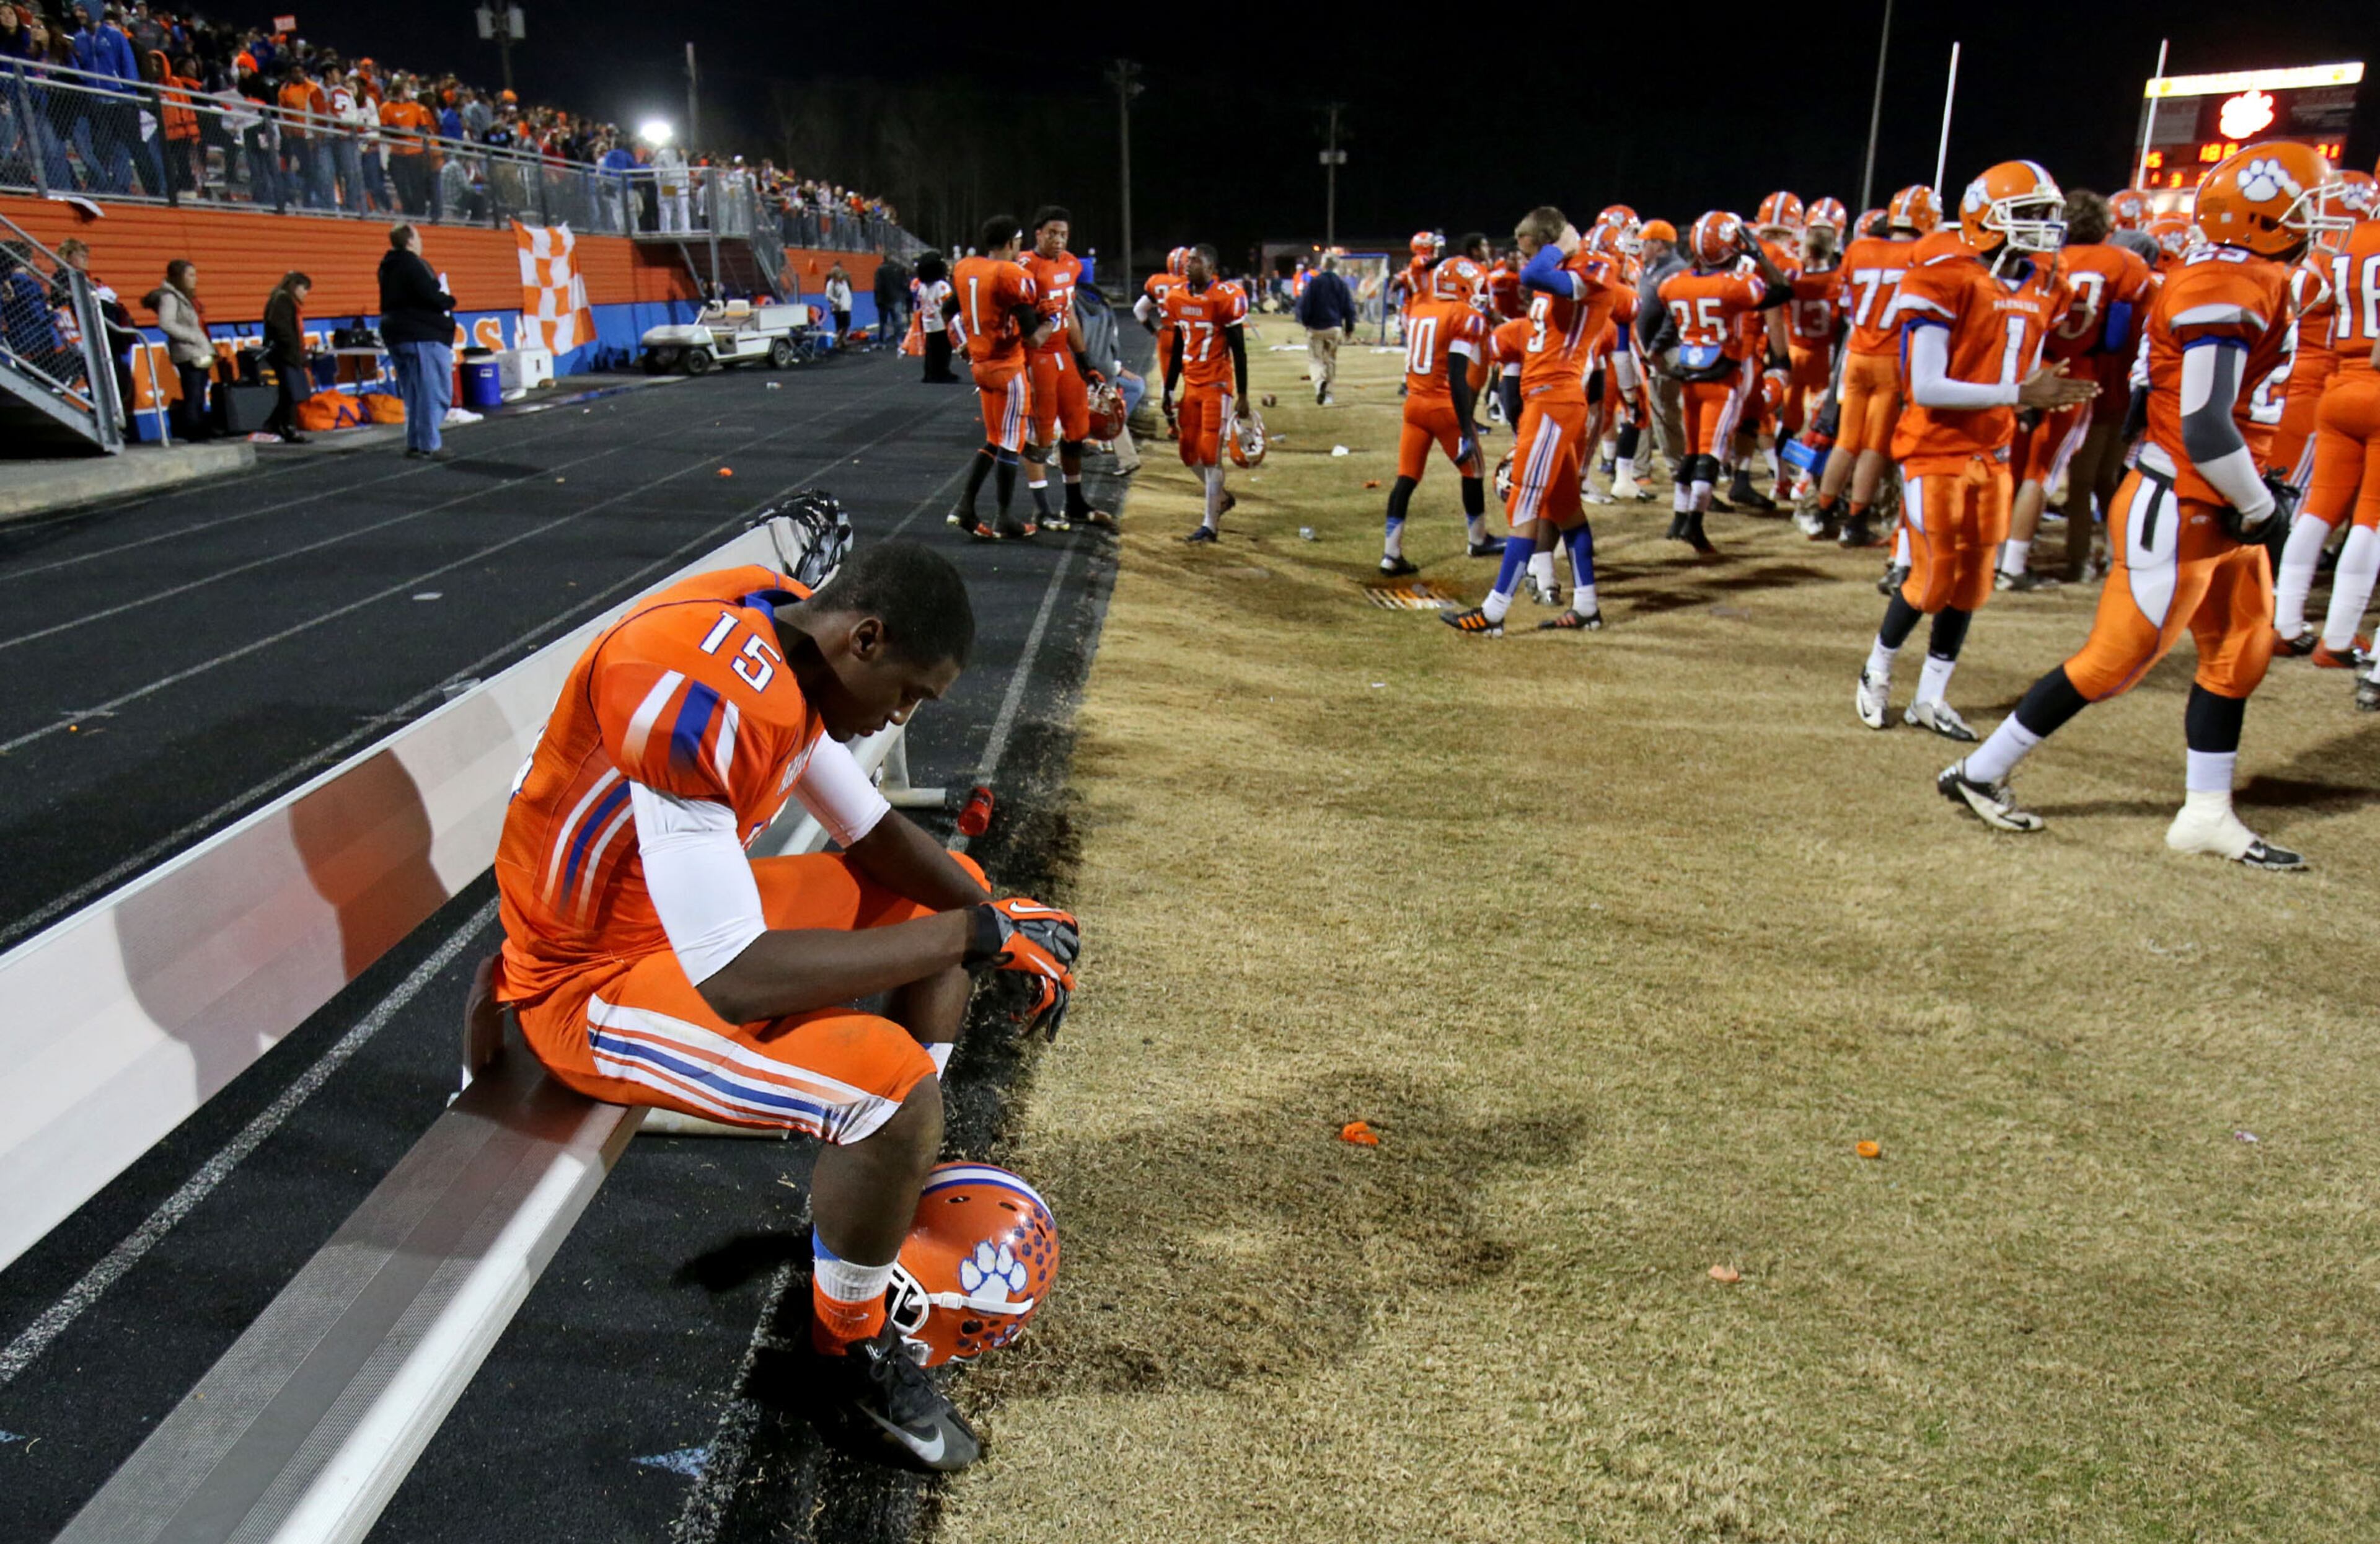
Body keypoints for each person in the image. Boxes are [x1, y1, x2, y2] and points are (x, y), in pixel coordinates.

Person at [479, 522, 1077, 1472]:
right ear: (865, 638)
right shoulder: (707, 700)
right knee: (885, 1087)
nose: (897, 719)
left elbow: (875, 833)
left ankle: (885, 1184)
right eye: (910, 693)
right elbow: (735, 976)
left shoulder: (781, 635)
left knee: (944, 885)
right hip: (587, 983)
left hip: (658, 929)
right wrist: (975, 934)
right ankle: (844, 1353)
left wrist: (994, 910)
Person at [1937, 143, 2335, 870]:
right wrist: (2260, 506)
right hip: (2185, 500)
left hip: (2222, 494)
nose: (2316, 223)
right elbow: (2206, 426)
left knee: (2239, 651)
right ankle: (1979, 771)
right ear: (2263, 216)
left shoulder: (2254, 275)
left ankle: (2207, 813)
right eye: (2303, 208)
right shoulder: (2226, 282)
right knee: (2113, 663)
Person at [1851, 162, 2091, 741]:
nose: (2044, 227)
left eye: (2047, 215)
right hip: (1936, 450)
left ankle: (1931, 696)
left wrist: (2039, 386)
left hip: (1993, 451)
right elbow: (1927, 385)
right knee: (1931, 580)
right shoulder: (1944, 276)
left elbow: (2006, 357)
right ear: (1989, 219)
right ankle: (1876, 669)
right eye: (2030, 215)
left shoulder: (2042, 285)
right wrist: (2022, 391)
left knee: (1974, 583)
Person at [1443, 206, 1627, 633]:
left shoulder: (1596, 266)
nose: (1524, 262)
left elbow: (1536, 277)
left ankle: (1492, 613)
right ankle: (1587, 607)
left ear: (1549, 244)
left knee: (1523, 501)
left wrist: (1561, 248)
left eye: (1530, 251)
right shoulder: (1559, 270)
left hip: (1555, 401)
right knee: (1565, 509)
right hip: (1546, 400)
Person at [1996, 188, 2154, 589]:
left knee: (2011, 466)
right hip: (2078, 374)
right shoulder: (2126, 264)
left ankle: (1994, 555)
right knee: (2045, 473)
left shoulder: (2038, 260)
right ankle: (2015, 566)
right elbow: (2127, 334)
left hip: (2025, 372)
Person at [2280, 183, 2380, 684]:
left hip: (2337, 386)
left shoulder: (2342, 240)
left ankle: (2284, 622)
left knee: (2319, 509)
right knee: (2372, 519)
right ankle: (2338, 639)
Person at [1649, 211, 1794, 554]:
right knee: (1710, 454)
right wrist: (1757, 253)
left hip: (1690, 375)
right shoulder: (1735, 286)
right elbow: (1782, 290)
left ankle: (1678, 518)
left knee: (1692, 451)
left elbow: (1669, 317)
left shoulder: (1674, 284)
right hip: (1723, 376)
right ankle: (1694, 526)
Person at [1807, 185, 1937, 552]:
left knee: (1846, 441)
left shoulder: (1859, 248)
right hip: (1890, 359)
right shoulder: (1922, 253)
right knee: (1874, 448)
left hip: (1856, 353)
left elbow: (1846, 302)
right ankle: (1856, 522)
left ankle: (1822, 512)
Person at [1379, 260, 1486, 575]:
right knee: (1474, 470)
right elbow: (1457, 374)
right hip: (1443, 406)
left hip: (1415, 405)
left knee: (1406, 479)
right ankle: (1478, 539)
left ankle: (1390, 554)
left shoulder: (1422, 309)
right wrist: (1466, 425)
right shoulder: (1463, 315)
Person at [947, 214, 1052, 539]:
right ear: (1010, 243)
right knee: (1010, 443)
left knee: (994, 440)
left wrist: (961, 343)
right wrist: (1052, 320)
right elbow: (1034, 338)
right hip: (1007, 368)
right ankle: (1005, 516)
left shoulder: (966, 267)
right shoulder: (1010, 274)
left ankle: (965, 507)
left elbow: (945, 312)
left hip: (980, 368)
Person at [1020, 206, 1110, 529]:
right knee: (1041, 435)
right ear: (1039, 234)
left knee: (1077, 429)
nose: (1058, 240)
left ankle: (1074, 504)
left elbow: (1069, 315)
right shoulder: (1025, 265)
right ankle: (1042, 509)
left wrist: (1086, 362)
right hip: (1037, 357)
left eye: (1064, 234)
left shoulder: (1071, 264)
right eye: (1052, 233)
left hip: (1062, 356)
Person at [1159, 242, 1251, 544]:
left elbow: (1238, 348)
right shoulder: (1176, 297)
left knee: (1210, 453)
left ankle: (1209, 525)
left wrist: (1244, 394)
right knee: (1188, 452)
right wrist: (1169, 387)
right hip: (1192, 385)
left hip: (1217, 385)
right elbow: (1177, 349)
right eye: (1188, 261)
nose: (1188, 265)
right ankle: (1221, 498)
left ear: (1211, 268)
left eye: (1195, 261)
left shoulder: (1225, 298)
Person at [379, 223, 454, 459]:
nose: (421, 241)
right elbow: (429, 295)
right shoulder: (413, 264)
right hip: (421, 334)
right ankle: (430, 443)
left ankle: (415, 441)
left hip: (396, 333)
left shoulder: (387, 267)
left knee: (413, 392)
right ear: (410, 241)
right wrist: (448, 300)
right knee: (434, 391)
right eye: (419, 237)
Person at [144, 257, 213, 440]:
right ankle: (193, 431)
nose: (195, 279)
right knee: (193, 392)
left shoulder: (185, 297)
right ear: (179, 277)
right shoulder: (170, 297)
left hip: (199, 350)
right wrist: (193, 336)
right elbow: (166, 323)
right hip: (188, 352)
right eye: (190, 275)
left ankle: (198, 428)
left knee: (200, 391)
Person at [1295, 250, 1356, 406]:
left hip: (1316, 327)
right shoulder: (1341, 284)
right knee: (1330, 361)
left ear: (1323, 265)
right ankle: (1328, 393)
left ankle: (1319, 384)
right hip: (1334, 327)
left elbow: (1304, 306)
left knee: (1315, 360)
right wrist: (1349, 328)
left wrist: (1306, 322)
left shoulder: (1315, 282)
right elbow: (1349, 308)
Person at [260, 268, 311, 443]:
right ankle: (288, 427)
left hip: (289, 353)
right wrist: (292, 347)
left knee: (288, 392)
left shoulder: (286, 301)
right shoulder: (282, 300)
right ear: (295, 286)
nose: (305, 294)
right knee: (292, 392)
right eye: (304, 289)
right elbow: (281, 328)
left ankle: (274, 423)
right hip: (285, 354)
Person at [912, 249, 956, 384]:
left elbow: (919, 302)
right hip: (941, 322)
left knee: (931, 351)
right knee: (944, 350)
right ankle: (943, 372)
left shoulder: (922, 287)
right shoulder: (942, 286)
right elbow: (949, 302)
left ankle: (930, 373)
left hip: (928, 322)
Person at [824, 262, 854, 345]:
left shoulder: (844, 282)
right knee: (840, 326)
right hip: (838, 308)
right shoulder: (831, 284)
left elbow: (848, 293)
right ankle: (839, 341)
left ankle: (842, 340)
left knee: (847, 324)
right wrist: (836, 301)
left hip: (847, 306)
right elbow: (828, 296)